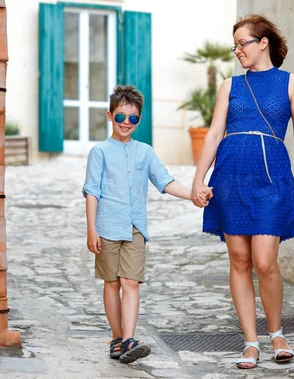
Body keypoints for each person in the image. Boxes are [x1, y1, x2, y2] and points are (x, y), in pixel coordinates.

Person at [191, 14, 294, 369]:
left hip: (271, 175)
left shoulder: (291, 83)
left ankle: (277, 332)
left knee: (265, 261)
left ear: (263, 42)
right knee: (239, 260)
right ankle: (251, 342)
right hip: (231, 175)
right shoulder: (229, 86)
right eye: (234, 45)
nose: (237, 51)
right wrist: (198, 179)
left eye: (242, 43)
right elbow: (215, 132)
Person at [83, 85, 211, 364]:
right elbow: (92, 191)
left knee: (131, 282)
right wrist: (91, 228)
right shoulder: (100, 152)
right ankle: (118, 339)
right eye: (120, 117)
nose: (126, 123)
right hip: (105, 227)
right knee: (112, 282)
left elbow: (165, 182)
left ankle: (128, 338)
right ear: (110, 116)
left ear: (139, 120)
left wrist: (193, 195)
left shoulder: (145, 152)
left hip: (135, 228)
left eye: (133, 118)